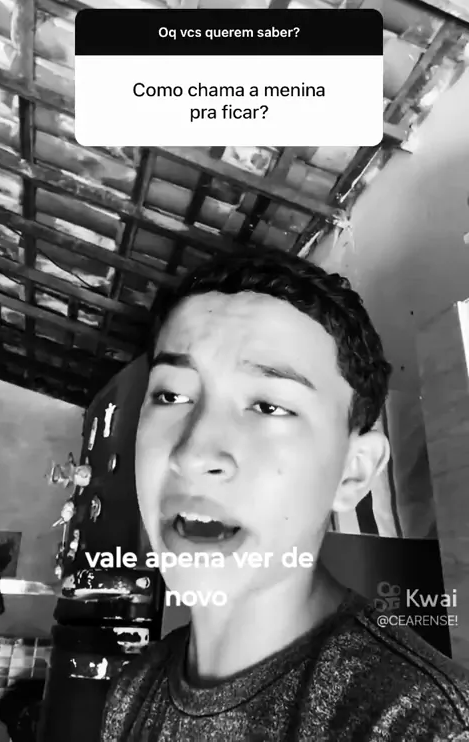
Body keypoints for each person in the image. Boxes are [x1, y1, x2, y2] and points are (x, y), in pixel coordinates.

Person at [101, 247, 469, 741]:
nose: (192, 453)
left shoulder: (425, 724)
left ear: (353, 473)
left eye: (269, 406)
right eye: (171, 395)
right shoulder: (132, 690)